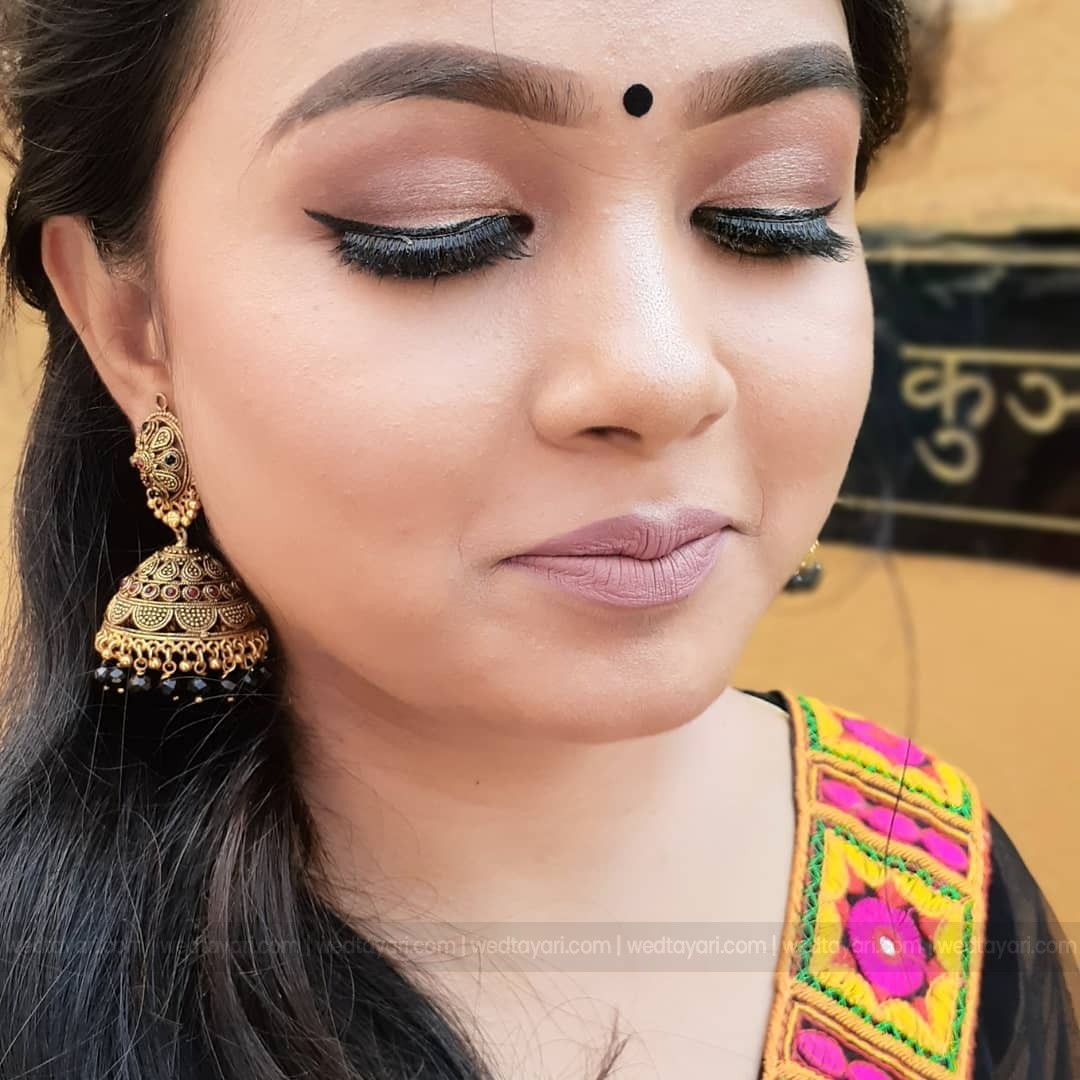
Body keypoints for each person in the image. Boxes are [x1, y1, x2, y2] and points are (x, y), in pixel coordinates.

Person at [0, 1, 1075, 1078]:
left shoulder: (937, 892)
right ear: (129, 321)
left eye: (773, 210)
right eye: (437, 226)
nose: (660, 377)